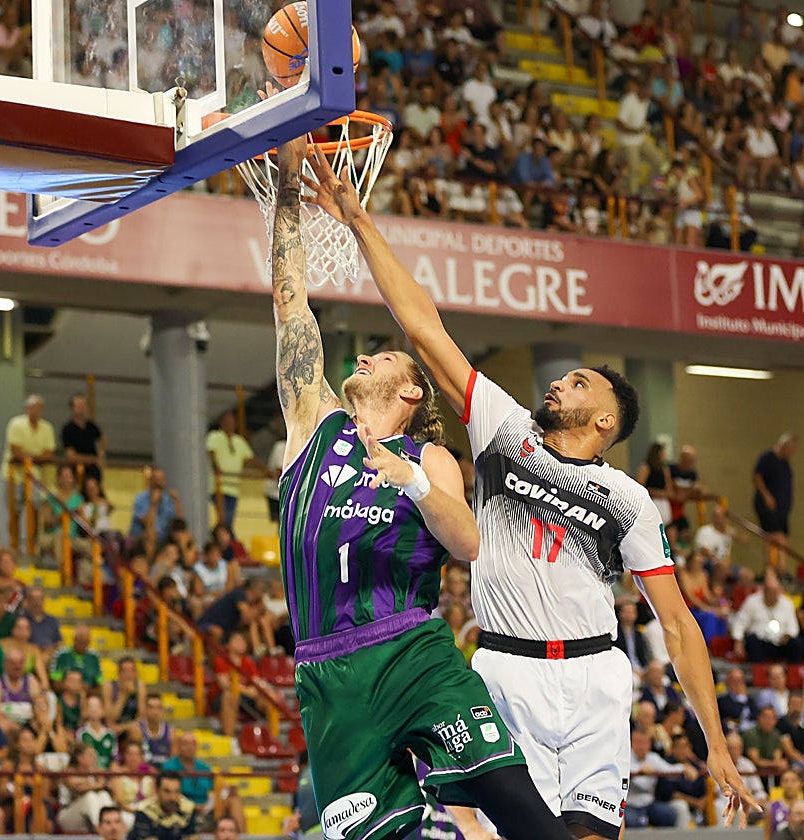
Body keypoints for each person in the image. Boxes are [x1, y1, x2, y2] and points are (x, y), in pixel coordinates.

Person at [306, 144, 759, 836]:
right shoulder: (503, 431)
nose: (559, 383)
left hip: (595, 677)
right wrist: (361, 220)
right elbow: (424, 329)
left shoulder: (630, 500)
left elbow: (676, 624)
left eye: (579, 383)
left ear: (605, 421)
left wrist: (717, 743)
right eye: (564, 376)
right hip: (505, 671)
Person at [269, 137, 578, 840]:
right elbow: (291, 304)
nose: (365, 352)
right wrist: (286, 193)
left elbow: (468, 541)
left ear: (411, 388)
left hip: (413, 650)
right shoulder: (313, 422)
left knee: (517, 804)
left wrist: (407, 480)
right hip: (327, 673)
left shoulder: (429, 454)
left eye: (384, 352)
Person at [161, 732, 245, 834]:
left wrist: (228, 791)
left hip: (206, 810)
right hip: (182, 810)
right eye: (186, 744)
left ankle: (242, 837)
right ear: (179, 747)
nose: (190, 747)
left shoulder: (204, 767)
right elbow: (168, 794)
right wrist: (193, 806)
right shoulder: (170, 767)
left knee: (234, 801)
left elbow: (218, 788)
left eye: (193, 744)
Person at [205, 411, 260, 534]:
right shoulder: (215, 436)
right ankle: (226, 542)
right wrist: (216, 469)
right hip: (219, 487)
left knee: (228, 521)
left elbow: (251, 459)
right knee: (224, 521)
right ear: (222, 423)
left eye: (232, 422)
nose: (230, 424)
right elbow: (211, 453)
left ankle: (227, 541)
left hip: (234, 489)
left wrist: (267, 471)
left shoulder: (239, 441)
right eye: (227, 422)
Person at [752, 433, 797, 556]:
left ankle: (781, 569)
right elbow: (757, 476)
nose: (792, 453)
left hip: (782, 509)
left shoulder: (785, 463)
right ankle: (771, 568)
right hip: (770, 507)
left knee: (782, 537)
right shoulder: (768, 458)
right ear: (784, 445)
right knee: (772, 536)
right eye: (791, 449)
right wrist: (767, 496)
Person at [127, 770, 196, 840]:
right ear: (157, 791)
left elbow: (193, 836)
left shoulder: (188, 808)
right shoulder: (144, 810)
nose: (172, 797)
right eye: (167, 791)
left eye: (177, 791)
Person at [128, 469, 181, 553]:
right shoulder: (140, 499)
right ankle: (149, 564)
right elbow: (149, 524)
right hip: (140, 537)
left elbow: (179, 522)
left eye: (161, 480)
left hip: (164, 538)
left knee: (182, 536)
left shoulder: (168, 499)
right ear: (150, 481)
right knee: (152, 534)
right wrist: (153, 504)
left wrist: (177, 502)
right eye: (156, 479)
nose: (158, 483)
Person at [62, 393, 106, 483]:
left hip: (94, 472)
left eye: (83, 405)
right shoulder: (68, 429)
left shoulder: (91, 426)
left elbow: (103, 440)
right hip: (78, 472)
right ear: (72, 408)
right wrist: (93, 459)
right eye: (78, 406)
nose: (82, 408)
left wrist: (101, 454)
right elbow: (71, 457)